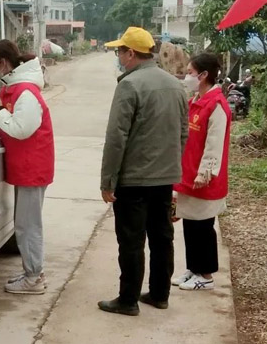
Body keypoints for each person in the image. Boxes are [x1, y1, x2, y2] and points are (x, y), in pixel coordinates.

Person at [98, 27, 189, 316]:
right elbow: (183, 132)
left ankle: (128, 300)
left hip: (134, 179)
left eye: (119, 52)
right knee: (162, 238)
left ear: (131, 53)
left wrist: (108, 180)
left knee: (131, 240)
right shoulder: (175, 85)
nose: (118, 57)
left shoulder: (129, 85)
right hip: (164, 177)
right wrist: (172, 165)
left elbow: (117, 137)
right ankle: (160, 294)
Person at [0, 40, 54, 295]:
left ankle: (33, 278)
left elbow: (20, 129)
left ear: (3, 62)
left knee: (28, 225)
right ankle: (33, 272)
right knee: (25, 223)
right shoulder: (13, 88)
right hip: (26, 167)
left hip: (33, 168)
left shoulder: (26, 92)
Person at [173, 54, 231, 291]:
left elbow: (214, 145)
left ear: (204, 75)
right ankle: (193, 268)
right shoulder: (195, 102)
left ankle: (206, 275)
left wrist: (205, 173)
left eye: (190, 72)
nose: (187, 77)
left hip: (204, 179)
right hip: (188, 174)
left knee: (203, 227)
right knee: (190, 224)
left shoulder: (216, 105)